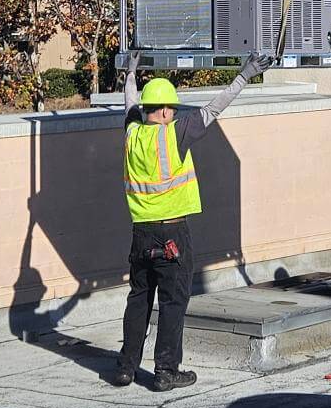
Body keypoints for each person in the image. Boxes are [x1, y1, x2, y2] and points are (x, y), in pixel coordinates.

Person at [111, 49, 275, 390]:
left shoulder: (132, 134)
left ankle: (126, 368)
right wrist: (245, 74)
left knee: (139, 299)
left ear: (145, 109)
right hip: (173, 235)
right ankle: (165, 372)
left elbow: (128, 105)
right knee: (172, 303)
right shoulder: (176, 133)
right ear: (168, 109)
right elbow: (215, 107)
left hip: (140, 235)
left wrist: (129, 73)